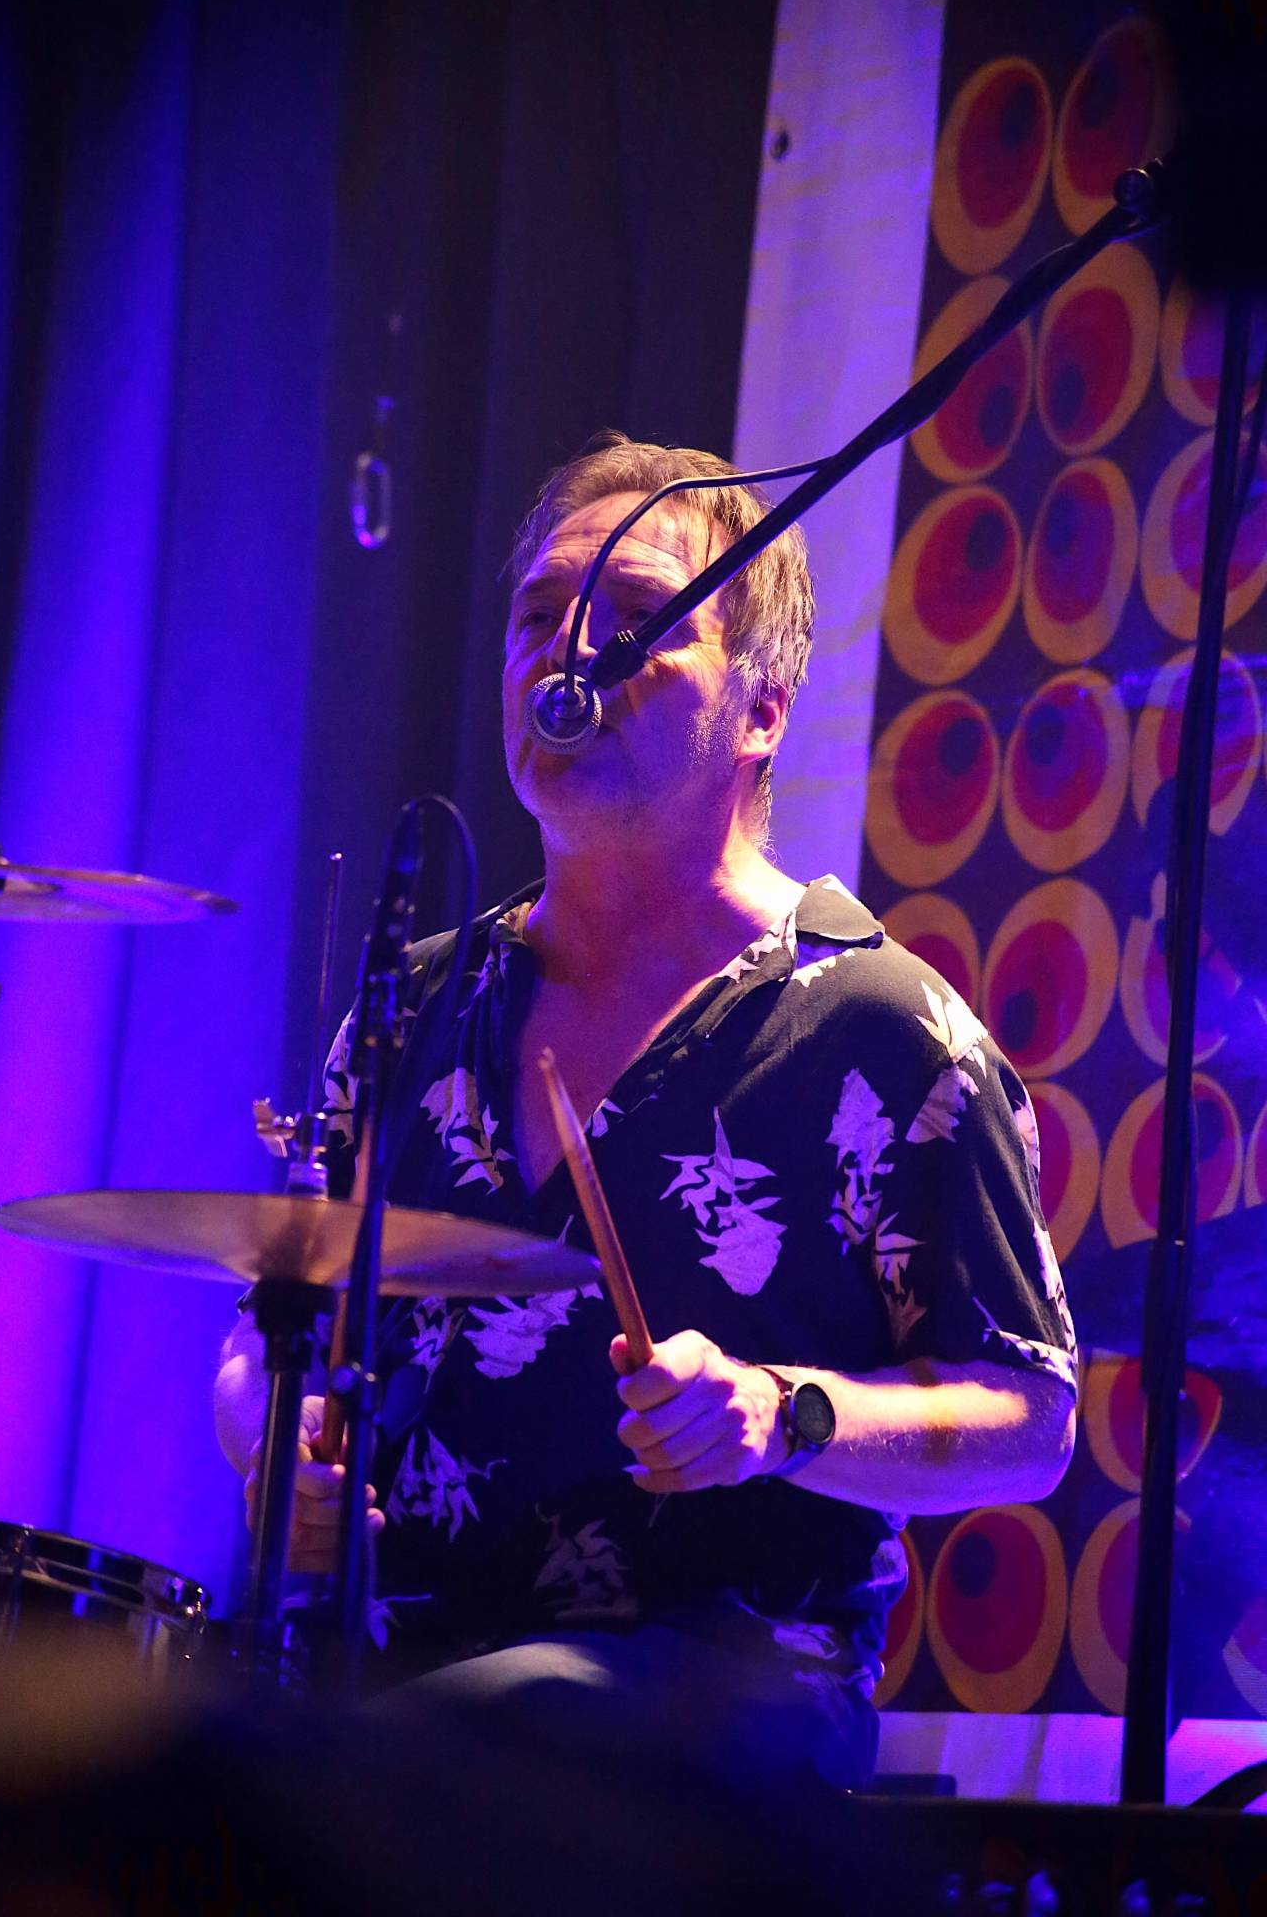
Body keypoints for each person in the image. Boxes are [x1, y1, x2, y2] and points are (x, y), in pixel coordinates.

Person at [215, 434, 1077, 1799]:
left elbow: (1030, 1419)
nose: (568, 653)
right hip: (394, 1687)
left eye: (636, 623)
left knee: (461, 1745)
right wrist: (277, 1452)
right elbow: (267, 1343)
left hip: (716, 1714)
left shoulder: (882, 1029)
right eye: (538, 616)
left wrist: (782, 1414)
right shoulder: (417, 1006)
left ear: (763, 711)